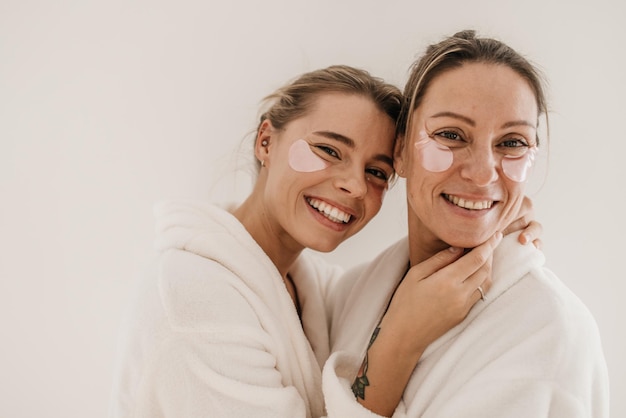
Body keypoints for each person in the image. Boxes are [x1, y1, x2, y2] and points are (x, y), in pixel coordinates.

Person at [109, 65, 542, 418]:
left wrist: (491, 220)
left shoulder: (308, 288)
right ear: (266, 141)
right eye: (329, 150)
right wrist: (400, 340)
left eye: (376, 172)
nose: (354, 185)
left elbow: (363, 295)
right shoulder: (194, 302)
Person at [323, 30, 609, 417]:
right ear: (400, 153)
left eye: (512, 143)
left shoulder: (552, 333)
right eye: (451, 135)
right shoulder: (349, 295)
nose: (481, 174)